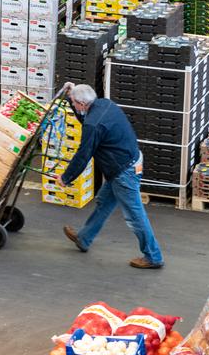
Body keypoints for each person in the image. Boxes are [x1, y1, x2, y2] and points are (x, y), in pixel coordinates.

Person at [56, 83, 164, 269]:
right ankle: (84, 238)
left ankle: (153, 256)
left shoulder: (93, 123)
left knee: (134, 215)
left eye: (74, 103)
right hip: (128, 162)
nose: (73, 106)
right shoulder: (105, 104)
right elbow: (89, 125)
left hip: (124, 172)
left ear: (82, 104)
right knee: (103, 202)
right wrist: (69, 95)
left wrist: (66, 178)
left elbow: (84, 153)